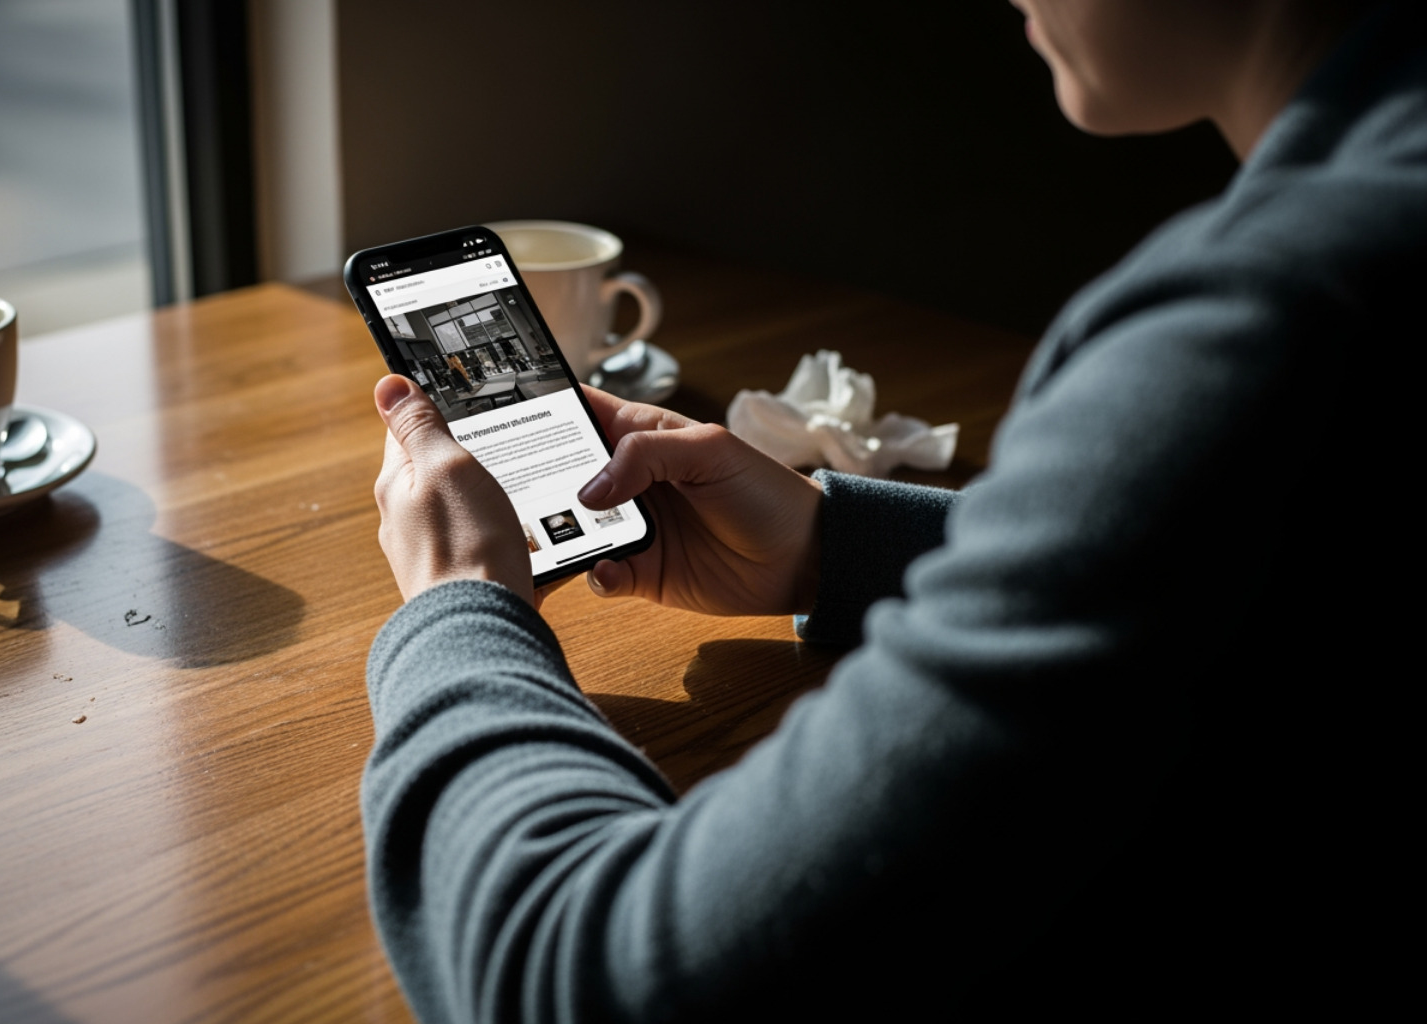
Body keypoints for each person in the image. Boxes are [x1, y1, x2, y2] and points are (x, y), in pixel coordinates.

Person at [361, 2, 1423, 1020]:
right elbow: (1221, 576)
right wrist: (841, 546)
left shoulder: (1259, 328)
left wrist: (457, 608)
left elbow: (577, 974)